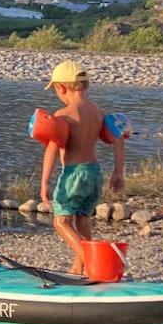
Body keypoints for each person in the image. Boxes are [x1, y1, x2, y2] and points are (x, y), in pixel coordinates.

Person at [40, 60, 125, 275]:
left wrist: (44, 183)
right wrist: (118, 172)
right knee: (82, 218)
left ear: (61, 88)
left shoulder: (63, 115)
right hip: (94, 173)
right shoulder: (97, 112)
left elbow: (51, 150)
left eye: (55, 89)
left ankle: (94, 263)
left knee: (61, 222)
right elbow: (118, 140)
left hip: (74, 174)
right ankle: (79, 267)